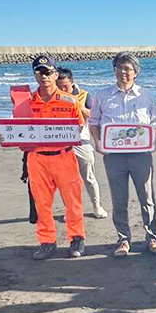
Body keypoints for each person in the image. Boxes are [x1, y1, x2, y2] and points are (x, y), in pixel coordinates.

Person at [0, 55, 86, 259]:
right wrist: (6, 136)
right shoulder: (25, 103)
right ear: (35, 75)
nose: (44, 76)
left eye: (48, 72)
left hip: (64, 157)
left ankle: (77, 238)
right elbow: (17, 130)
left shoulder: (70, 101)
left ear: (55, 74)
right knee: (42, 203)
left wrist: (75, 131)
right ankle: (47, 241)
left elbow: (79, 127)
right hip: (37, 159)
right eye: (39, 72)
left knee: (73, 201)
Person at [89, 52, 156, 258]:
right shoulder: (102, 95)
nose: (123, 72)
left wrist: (154, 136)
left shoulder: (146, 95)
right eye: (119, 68)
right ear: (114, 70)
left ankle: (152, 237)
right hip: (113, 156)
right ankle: (123, 239)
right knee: (119, 198)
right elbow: (93, 122)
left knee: (147, 197)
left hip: (141, 154)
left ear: (136, 72)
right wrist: (98, 142)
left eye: (128, 68)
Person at [56, 67, 108, 219]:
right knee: (66, 179)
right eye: (59, 87)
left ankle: (97, 206)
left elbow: (94, 116)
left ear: (72, 83)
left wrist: (76, 104)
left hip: (81, 141)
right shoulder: (52, 97)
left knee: (89, 176)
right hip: (60, 142)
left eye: (65, 86)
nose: (62, 90)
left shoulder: (84, 95)